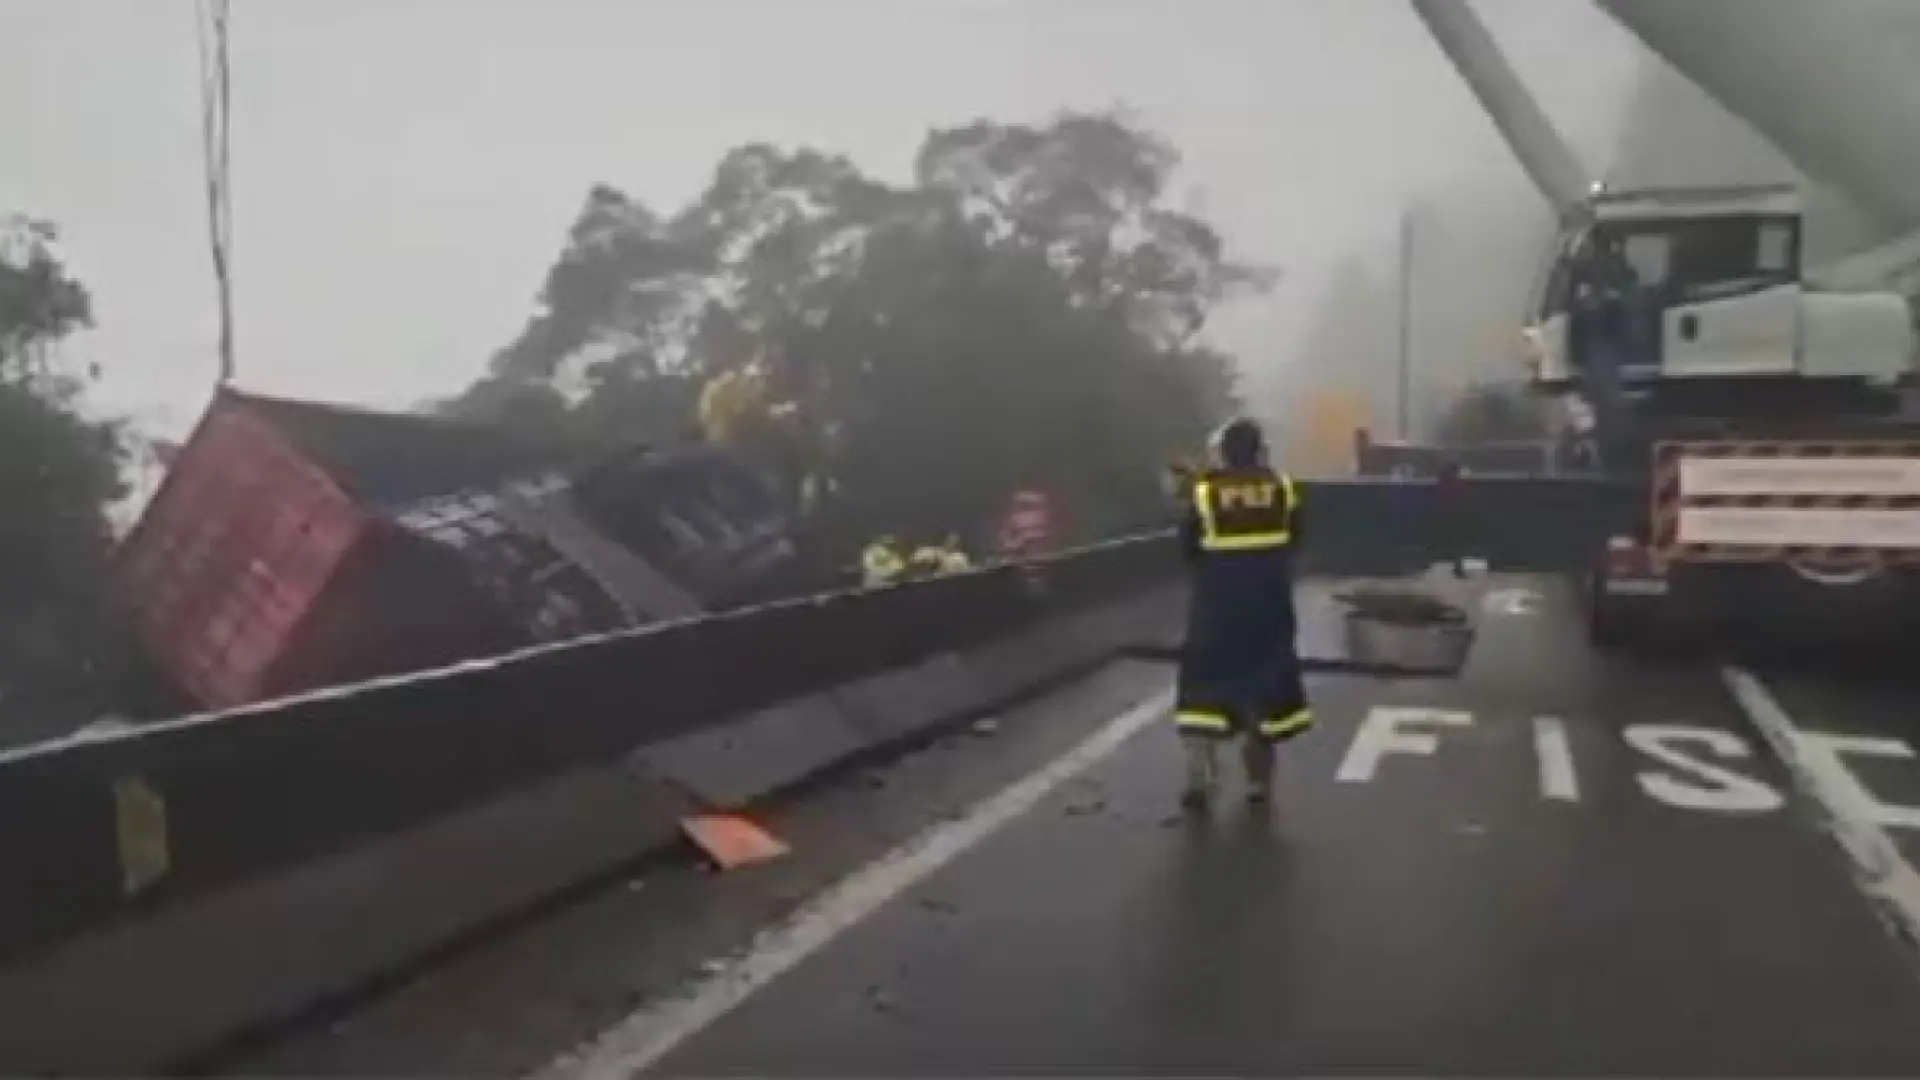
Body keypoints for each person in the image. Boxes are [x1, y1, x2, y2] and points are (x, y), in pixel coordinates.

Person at [1175, 417, 1312, 810]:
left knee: (1201, 689)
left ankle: (1198, 776)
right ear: (1259, 450)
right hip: (1268, 608)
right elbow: (1296, 540)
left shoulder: (1205, 493)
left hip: (1216, 609)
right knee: (1263, 693)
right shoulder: (1282, 489)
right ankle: (1258, 784)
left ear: (1224, 452)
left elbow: (1189, 548)